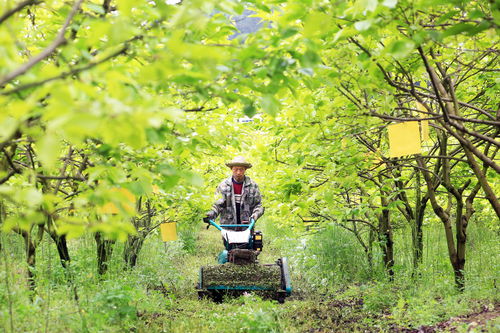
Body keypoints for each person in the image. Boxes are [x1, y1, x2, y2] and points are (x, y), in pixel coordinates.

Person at [205, 156, 264, 226]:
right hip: (227, 226)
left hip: (247, 226)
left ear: (245, 169)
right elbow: (217, 205)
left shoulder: (253, 186)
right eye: (235, 169)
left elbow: (259, 204)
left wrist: (255, 215)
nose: (238, 172)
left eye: (241, 169)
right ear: (231, 169)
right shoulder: (223, 185)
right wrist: (210, 214)